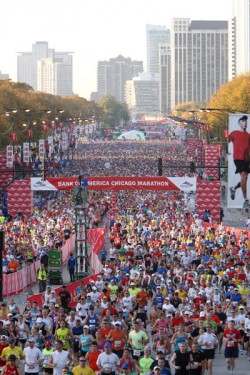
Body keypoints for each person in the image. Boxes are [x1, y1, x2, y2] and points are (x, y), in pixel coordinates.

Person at [228, 115, 250, 208]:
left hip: (247, 159)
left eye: (246, 121)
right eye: (243, 121)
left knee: (244, 179)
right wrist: (226, 152)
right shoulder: (234, 133)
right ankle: (246, 200)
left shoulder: (249, 135)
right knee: (244, 177)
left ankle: (233, 188)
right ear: (239, 124)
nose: (245, 123)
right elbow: (227, 141)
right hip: (238, 158)